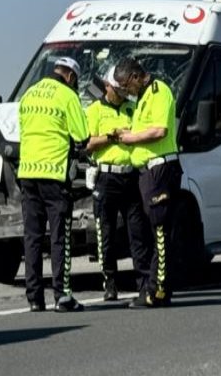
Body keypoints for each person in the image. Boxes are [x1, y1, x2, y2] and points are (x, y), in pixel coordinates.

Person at [17, 56, 89, 313]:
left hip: (27, 173)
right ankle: (62, 295)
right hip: (54, 176)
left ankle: (35, 298)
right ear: (71, 76)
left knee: (32, 238)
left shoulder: (29, 94)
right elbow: (82, 135)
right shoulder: (67, 96)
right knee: (60, 238)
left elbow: (21, 130)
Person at [114, 57, 182, 308]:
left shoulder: (158, 91)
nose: (124, 91)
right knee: (147, 234)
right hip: (146, 173)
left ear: (134, 77)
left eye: (125, 85)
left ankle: (159, 291)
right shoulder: (141, 98)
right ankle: (150, 288)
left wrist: (131, 138)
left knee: (161, 233)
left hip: (160, 169)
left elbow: (159, 131)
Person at [85, 66, 153, 302]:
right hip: (106, 177)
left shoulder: (132, 109)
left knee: (138, 232)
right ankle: (109, 282)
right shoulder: (94, 110)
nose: (123, 92)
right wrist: (111, 137)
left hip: (130, 175)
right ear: (107, 87)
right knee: (106, 233)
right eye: (118, 89)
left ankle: (143, 283)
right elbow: (86, 144)